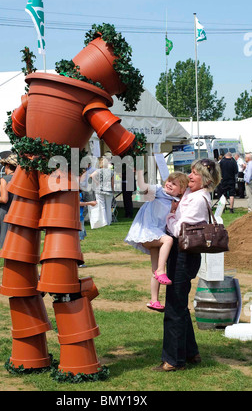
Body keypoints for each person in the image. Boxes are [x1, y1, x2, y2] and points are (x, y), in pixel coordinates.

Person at [154, 158, 221, 371]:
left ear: (206, 179)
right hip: (182, 254)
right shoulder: (192, 195)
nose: (190, 176)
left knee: (174, 306)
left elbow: (178, 229)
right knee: (179, 305)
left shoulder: (199, 199)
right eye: (191, 172)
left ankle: (173, 360)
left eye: (195, 173)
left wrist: (169, 217)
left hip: (184, 254)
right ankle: (191, 353)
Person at [125, 171, 189, 312]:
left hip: (155, 235)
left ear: (181, 190)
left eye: (174, 184)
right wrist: (140, 174)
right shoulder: (158, 191)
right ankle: (161, 271)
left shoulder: (175, 202)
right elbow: (142, 186)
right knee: (168, 240)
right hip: (147, 232)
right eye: (169, 181)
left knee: (154, 269)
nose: (169, 184)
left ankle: (154, 300)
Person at [89, 156, 114, 226]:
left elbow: (91, 176)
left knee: (102, 206)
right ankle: (109, 222)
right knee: (108, 207)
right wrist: (113, 190)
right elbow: (112, 183)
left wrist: (96, 182)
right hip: (108, 190)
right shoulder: (111, 172)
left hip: (100, 190)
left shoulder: (98, 171)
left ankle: (104, 222)